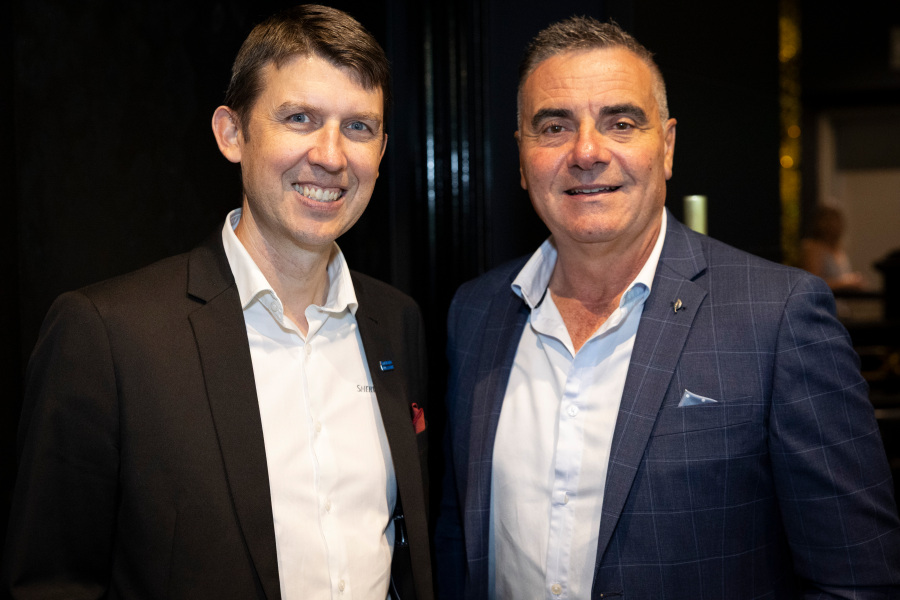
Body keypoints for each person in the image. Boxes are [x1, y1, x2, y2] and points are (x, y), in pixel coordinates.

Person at [435, 16, 900, 600]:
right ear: (523, 157)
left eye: (621, 123)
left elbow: (856, 582)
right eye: (554, 127)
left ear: (668, 146)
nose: (586, 152)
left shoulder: (779, 317)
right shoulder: (476, 313)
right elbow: (455, 538)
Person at [2, 5, 432, 600]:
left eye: (358, 127)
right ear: (232, 133)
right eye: (300, 118)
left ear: (382, 150)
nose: (331, 156)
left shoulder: (397, 322)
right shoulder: (109, 336)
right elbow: (53, 583)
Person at [800, 205, 866, 291]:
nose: (833, 225)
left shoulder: (839, 250)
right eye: (828, 220)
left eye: (837, 220)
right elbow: (812, 284)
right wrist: (846, 282)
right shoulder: (813, 248)